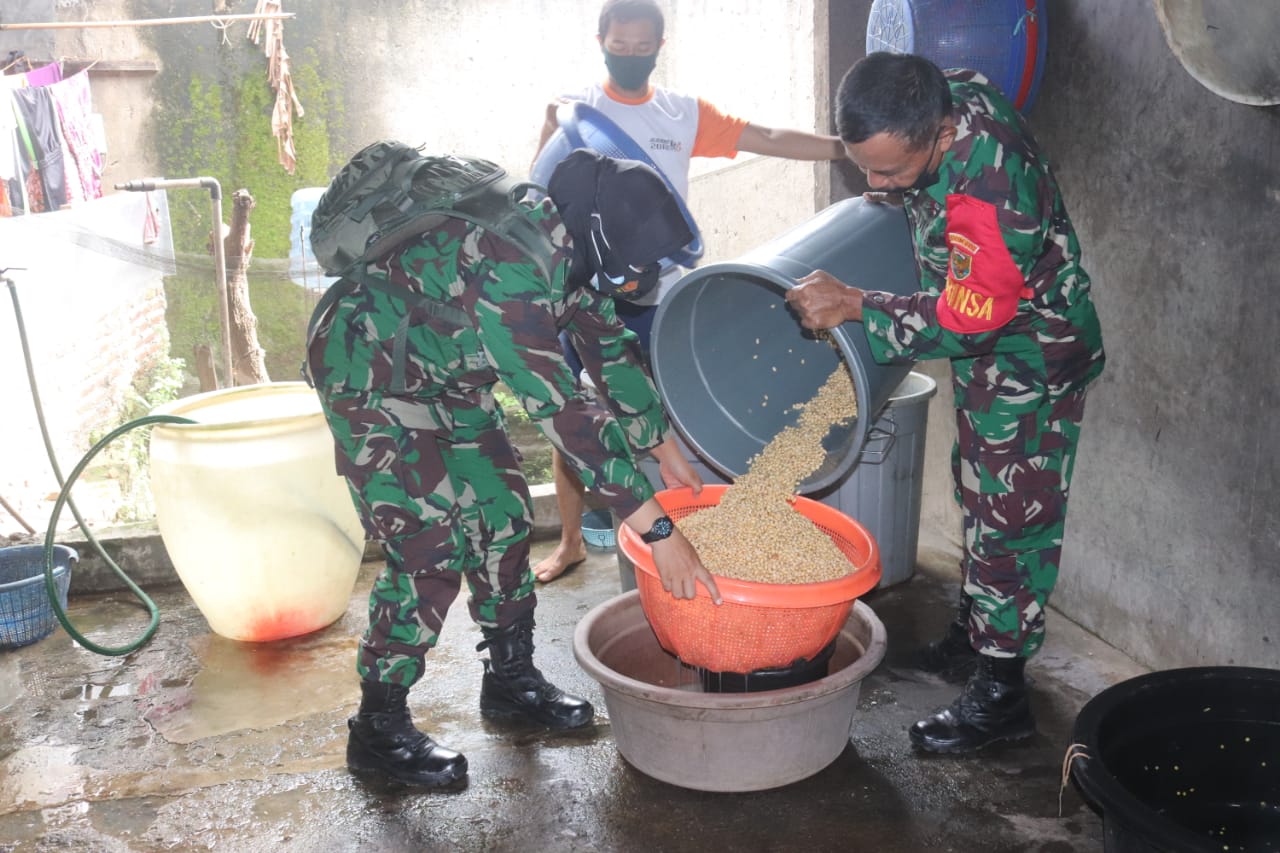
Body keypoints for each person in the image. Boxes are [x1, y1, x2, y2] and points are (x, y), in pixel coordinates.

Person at [306, 149, 723, 789]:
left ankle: (509, 681)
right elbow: (562, 411)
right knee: (430, 550)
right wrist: (659, 533)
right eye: (645, 266)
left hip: (446, 374)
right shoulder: (510, 269)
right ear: (609, 242)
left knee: (502, 516)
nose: (649, 279)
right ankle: (378, 729)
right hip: (367, 377)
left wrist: (658, 440)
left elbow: (606, 344)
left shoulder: (568, 248)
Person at [784, 52, 1105, 754]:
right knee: (977, 490)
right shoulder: (940, 93)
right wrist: (897, 191)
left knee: (1010, 519)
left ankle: (1001, 696)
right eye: (864, 166)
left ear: (943, 131)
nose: (878, 183)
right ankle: (975, 634)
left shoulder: (991, 190)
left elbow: (970, 320)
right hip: (995, 358)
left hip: (1031, 354)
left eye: (893, 172)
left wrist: (857, 304)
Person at [532, 0, 847, 582]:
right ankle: (572, 540)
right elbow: (541, 194)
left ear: (660, 45)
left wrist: (845, 147)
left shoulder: (680, 115)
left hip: (661, 298)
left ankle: (692, 514)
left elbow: (768, 136)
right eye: (618, 46)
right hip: (585, 293)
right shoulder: (577, 113)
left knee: (674, 406)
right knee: (573, 408)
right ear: (599, 40)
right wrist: (549, 133)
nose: (629, 56)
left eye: (640, 47)